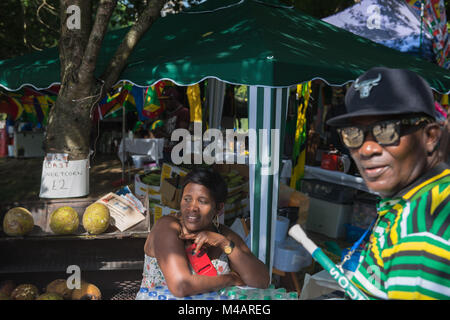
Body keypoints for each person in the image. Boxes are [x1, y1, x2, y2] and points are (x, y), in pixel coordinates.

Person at [327, 67, 450, 300]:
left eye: (387, 130)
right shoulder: (406, 202)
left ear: (430, 136)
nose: (366, 149)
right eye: (353, 134)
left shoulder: (420, 227)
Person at [139, 168, 270, 297]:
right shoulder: (168, 226)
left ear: (219, 208)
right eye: (187, 199)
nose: (192, 208)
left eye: (202, 201)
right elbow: (181, 286)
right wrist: (230, 279)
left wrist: (224, 243)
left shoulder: (222, 234)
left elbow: (261, 281)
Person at [150, 86, 190, 162]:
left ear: (173, 99)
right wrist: (159, 130)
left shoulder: (183, 112)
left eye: (166, 101)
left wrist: (163, 135)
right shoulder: (168, 113)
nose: (164, 103)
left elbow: (181, 135)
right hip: (165, 151)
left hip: (177, 152)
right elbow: (168, 130)